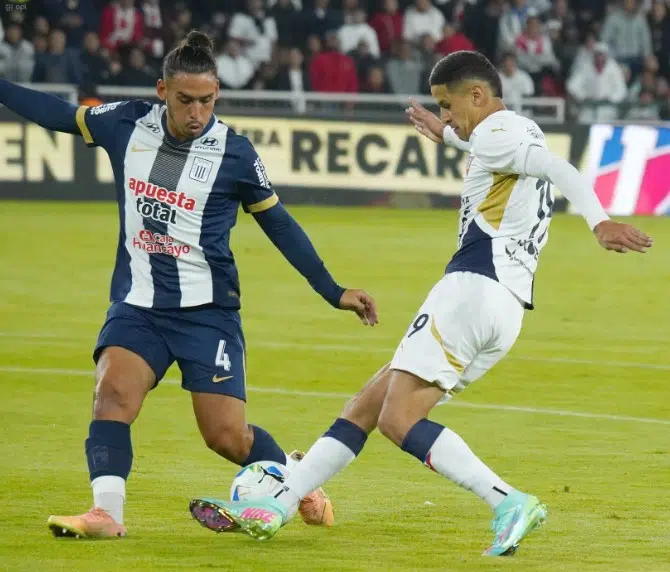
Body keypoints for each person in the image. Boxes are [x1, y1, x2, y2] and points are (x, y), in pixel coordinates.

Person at [188, 50, 653, 556]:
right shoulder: (508, 134)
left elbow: (556, 167)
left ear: (478, 95)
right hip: (504, 305)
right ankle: (278, 505)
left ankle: (508, 500)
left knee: (397, 419)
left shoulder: (501, 131)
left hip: (472, 289)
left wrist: (598, 221)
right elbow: (501, 152)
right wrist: (448, 134)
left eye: (449, 106)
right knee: (366, 406)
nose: (446, 116)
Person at [0, 29, 378, 539]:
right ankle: (106, 514)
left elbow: (279, 224)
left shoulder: (236, 154)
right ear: (162, 92)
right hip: (139, 304)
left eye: (207, 100)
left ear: (217, 94)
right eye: (185, 100)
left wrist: (332, 290)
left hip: (208, 313)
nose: (196, 112)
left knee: (225, 436)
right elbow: (57, 114)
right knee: (112, 395)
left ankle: (294, 480)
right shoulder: (126, 124)